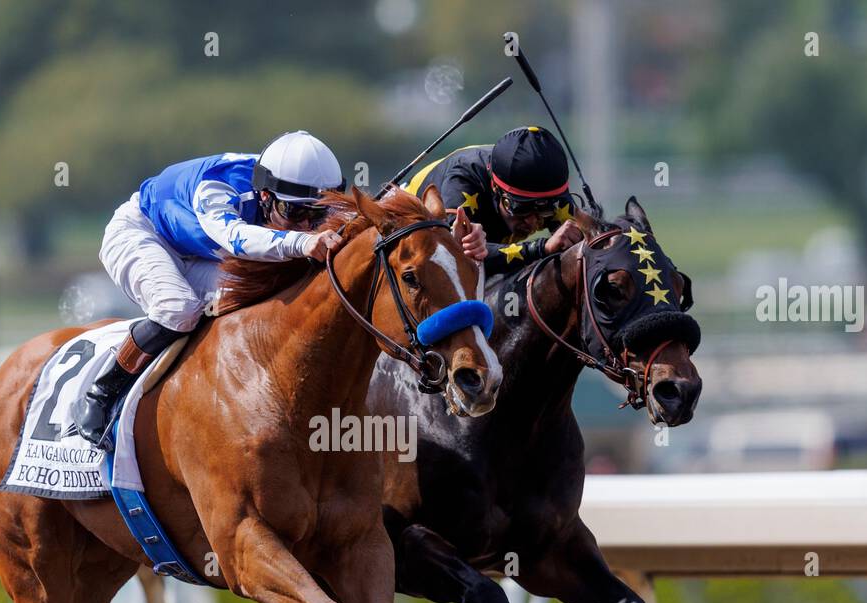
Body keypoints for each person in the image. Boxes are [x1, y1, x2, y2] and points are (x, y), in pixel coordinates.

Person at [73, 131, 347, 447]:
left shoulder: (289, 195)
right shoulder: (218, 185)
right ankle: (102, 393)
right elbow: (235, 237)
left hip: (199, 252)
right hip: (143, 233)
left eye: (317, 215)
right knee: (179, 309)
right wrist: (304, 242)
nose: (305, 226)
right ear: (265, 196)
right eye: (295, 213)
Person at [403, 125, 584, 276]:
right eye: (520, 207)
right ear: (495, 187)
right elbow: (459, 257)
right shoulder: (463, 180)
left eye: (544, 209)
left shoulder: (550, 191)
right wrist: (541, 248)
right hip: (407, 235)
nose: (531, 221)